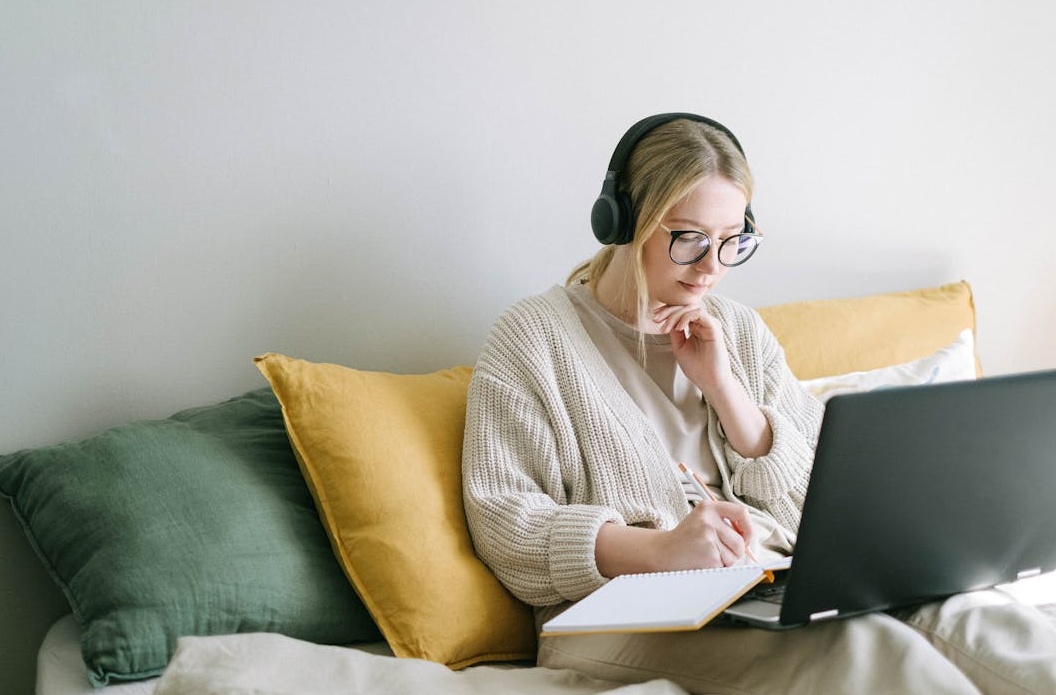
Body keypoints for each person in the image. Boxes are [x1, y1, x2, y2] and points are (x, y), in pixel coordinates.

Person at [461, 113, 1056, 695]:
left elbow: (826, 497)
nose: (710, 269)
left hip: (772, 585)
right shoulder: (532, 339)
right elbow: (505, 523)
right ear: (622, 221)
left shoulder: (737, 330)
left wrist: (727, 392)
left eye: (730, 243)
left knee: (981, 619)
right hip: (613, 617)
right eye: (689, 239)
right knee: (872, 653)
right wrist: (660, 550)